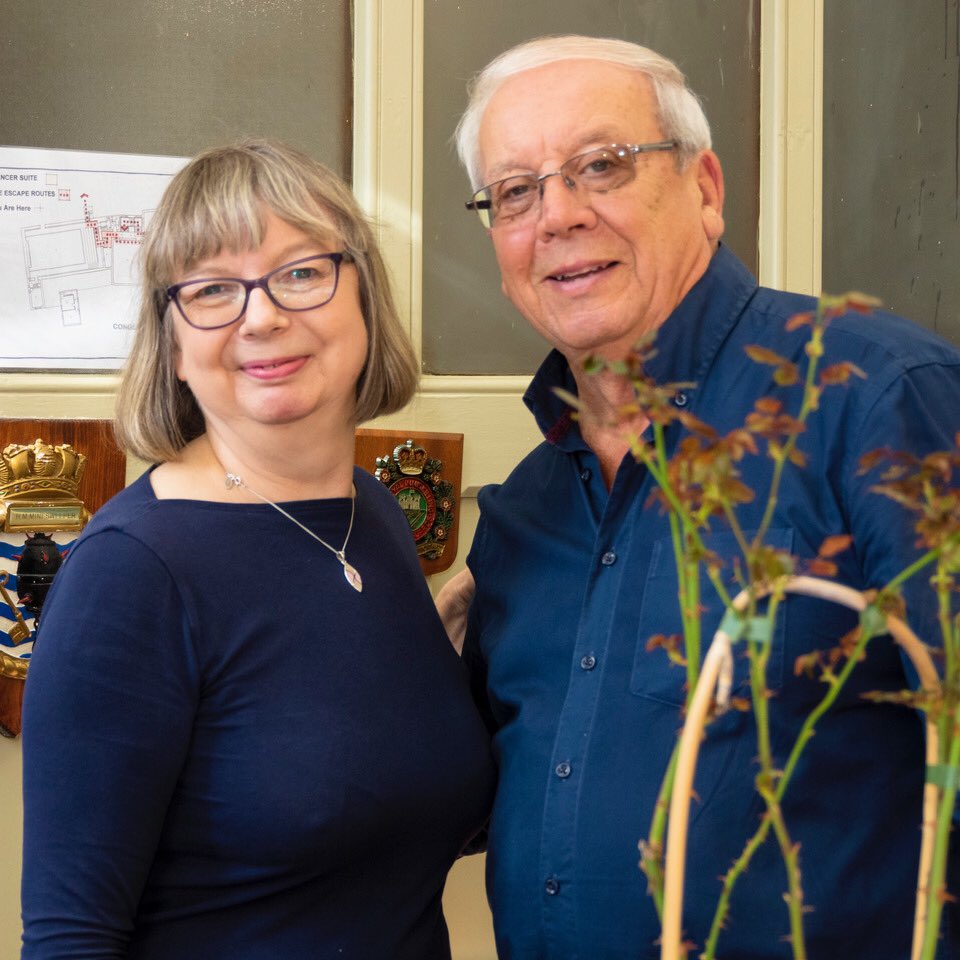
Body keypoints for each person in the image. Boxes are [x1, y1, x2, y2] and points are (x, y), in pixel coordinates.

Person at [441, 34, 960, 960]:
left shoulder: (875, 400)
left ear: (706, 189)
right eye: (515, 191)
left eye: (602, 165)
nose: (557, 215)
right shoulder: (523, 511)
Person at [20, 139, 495, 960]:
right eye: (211, 289)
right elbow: (72, 937)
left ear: (364, 298)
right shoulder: (132, 573)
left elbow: (367, 831)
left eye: (301, 272)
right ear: (172, 345)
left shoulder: (370, 512)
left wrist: (452, 686)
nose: (263, 316)